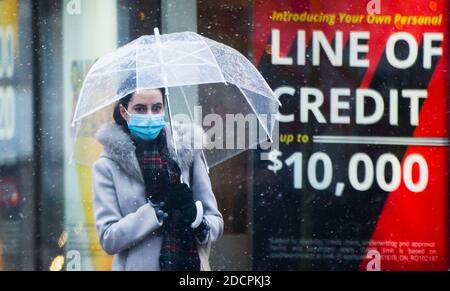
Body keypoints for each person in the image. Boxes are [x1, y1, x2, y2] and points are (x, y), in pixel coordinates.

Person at [92, 87, 223, 271]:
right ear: (124, 111)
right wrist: (156, 208)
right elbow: (109, 238)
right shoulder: (107, 166)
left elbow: (215, 223)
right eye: (140, 109)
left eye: (156, 108)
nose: (149, 115)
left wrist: (196, 218)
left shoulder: (186, 150)